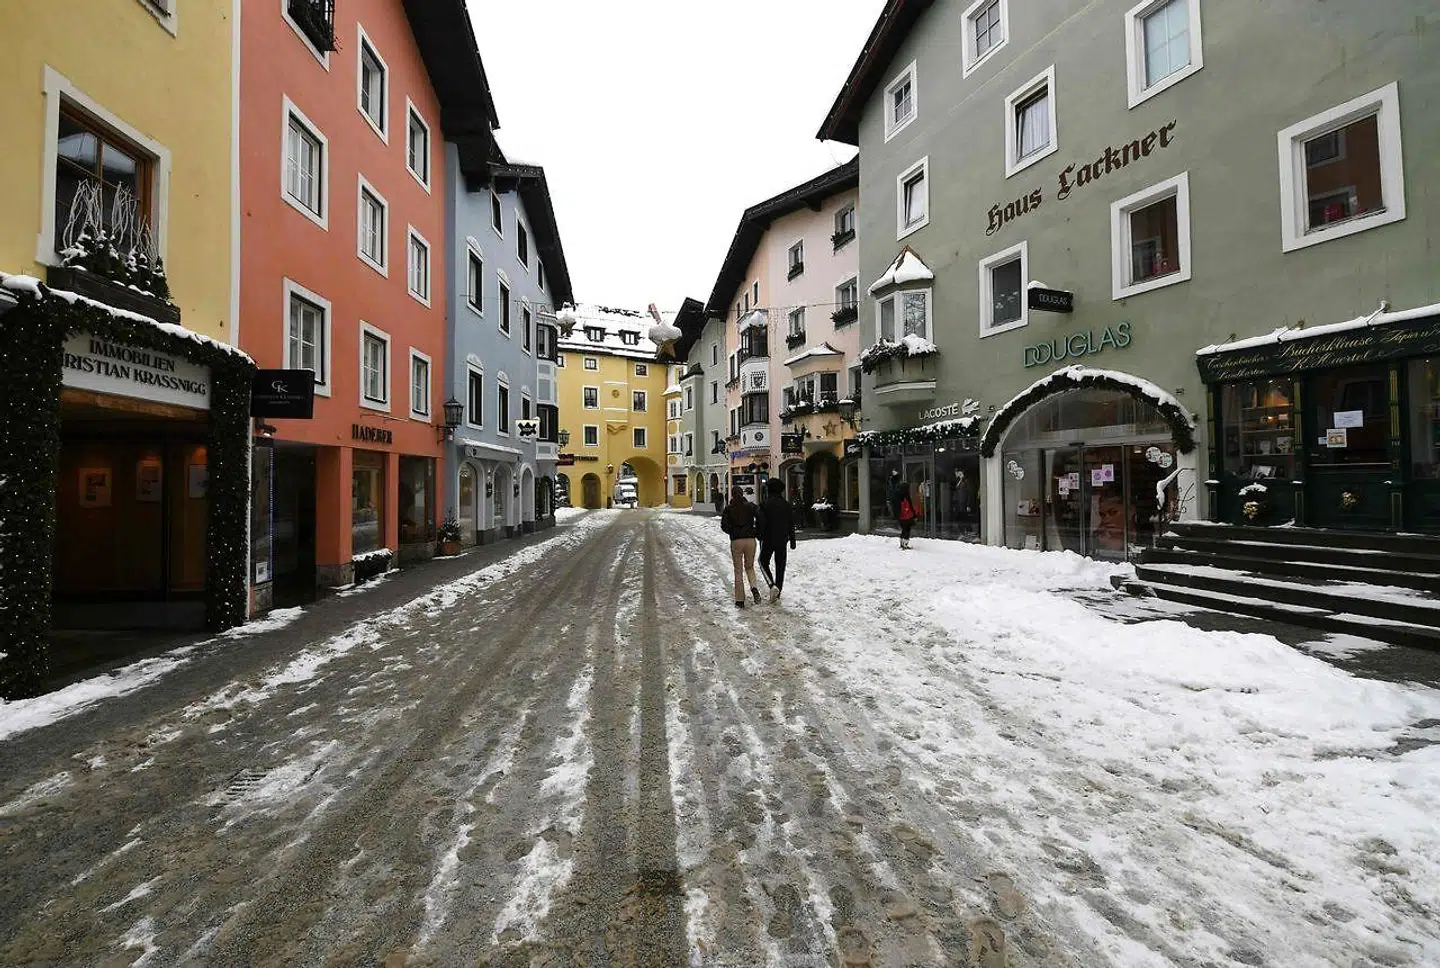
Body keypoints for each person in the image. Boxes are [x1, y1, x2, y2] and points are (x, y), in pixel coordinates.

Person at [720, 485, 765, 607]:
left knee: (738, 570)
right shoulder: (750, 506)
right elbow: (761, 517)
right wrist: (756, 531)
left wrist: (732, 531)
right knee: (750, 567)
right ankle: (754, 588)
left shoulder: (729, 509)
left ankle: (740, 600)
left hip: (736, 541)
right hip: (750, 539)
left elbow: (724, 525)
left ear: (732, 495)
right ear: (742, 494)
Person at [757, 478, 797, 602]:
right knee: (780, 565)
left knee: (763, 562)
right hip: (782, 540)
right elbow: (791, 522)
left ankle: (771, 585)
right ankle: (778, 590)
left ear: (769, 489)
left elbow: (761, 522)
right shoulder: (786, 505)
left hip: (768, 539)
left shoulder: (764, 504)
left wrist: (760, 535)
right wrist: (792, 540)